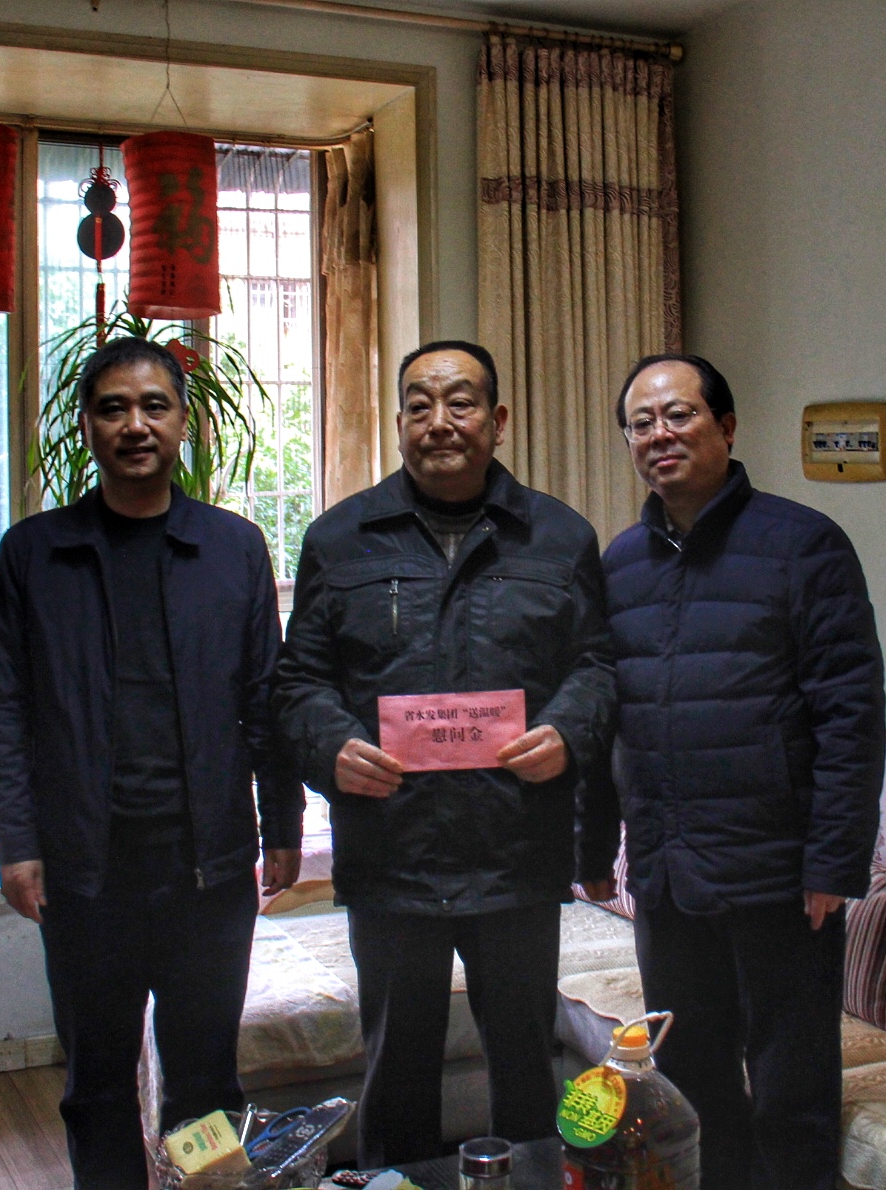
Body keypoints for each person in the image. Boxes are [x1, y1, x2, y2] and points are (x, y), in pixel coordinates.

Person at [275, 341, 617, 1167]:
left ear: (497, 421)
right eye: (419, 405)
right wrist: (332, 745)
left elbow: (598, 665)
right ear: (397, 422)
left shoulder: (558, 536)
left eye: (460, 403)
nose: (439, 422)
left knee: (526, 1073)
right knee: (394, 1077)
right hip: (392, 855)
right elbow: (297, 680)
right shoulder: (340, 538)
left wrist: (568, 731)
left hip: (516, 855)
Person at [0, 337, 303, 1190]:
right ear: (86, 427)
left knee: (206, 1083)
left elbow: (265, 699)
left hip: (208, 868)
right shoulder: (35, 552)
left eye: (153, 406)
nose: (135, 425)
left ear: (182, 424)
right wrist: (14, 841)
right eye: (113, 408)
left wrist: (283, 824)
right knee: (95, 1084)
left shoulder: (232, 547)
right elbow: (4, 708)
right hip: (86, 872)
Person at [592, 354, 886, 1190]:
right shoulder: (620, 564)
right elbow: (606, 717)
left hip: (778, 876)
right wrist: (600, 848)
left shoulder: (803, 545)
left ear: (725, 427)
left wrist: (832, 863)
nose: (659, 434)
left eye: (679, 415)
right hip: (667, 873)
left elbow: (849, 713)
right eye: (641, 423)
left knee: (790, 1089)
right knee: (689, 1082)